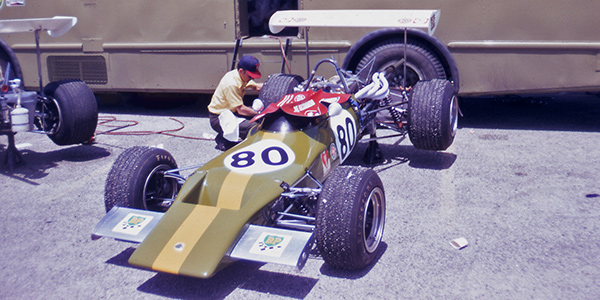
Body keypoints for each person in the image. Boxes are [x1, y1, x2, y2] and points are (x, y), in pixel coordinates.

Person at [208, 55, 264, 150]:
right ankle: (224, 139)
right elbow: (241, 110)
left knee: (258, 116)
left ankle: (228, 135)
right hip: (219, 118)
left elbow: (257, 87)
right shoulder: (231, 84)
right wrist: (261, 113)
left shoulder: (239, 76)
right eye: (250, 76)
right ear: (241, 71)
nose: (252, 79)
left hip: (232, 112)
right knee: (255, 127)